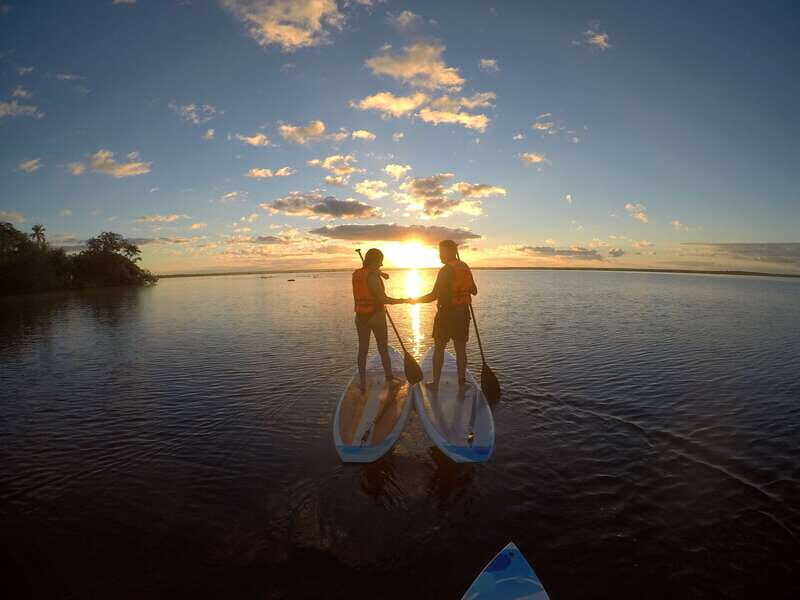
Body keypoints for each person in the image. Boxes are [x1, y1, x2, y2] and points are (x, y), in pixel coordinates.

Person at [412, 240, 477, 389]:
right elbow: (474, 290)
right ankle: (461, 382)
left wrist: (413, 300)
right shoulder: (465, 267)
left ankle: (435, 383)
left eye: (441, 252)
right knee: (461, 350)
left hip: (446, 315)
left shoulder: (446, 270)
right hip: (463, 313)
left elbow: (434, 295)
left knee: (439, 347)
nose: (439, 255)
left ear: (449, 252)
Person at [353, 248, 409, 391]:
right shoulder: (372, 276)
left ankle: (362, 382)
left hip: (360, 317)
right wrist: (404, 300)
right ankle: (389, 379)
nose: (382, 264)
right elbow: (383, 299)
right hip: (376, 315)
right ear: (375, 260)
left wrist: (381, 274)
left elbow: (372, 274)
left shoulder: (357, 274)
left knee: (363, 349)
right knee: (383, 347)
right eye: (380, 261)